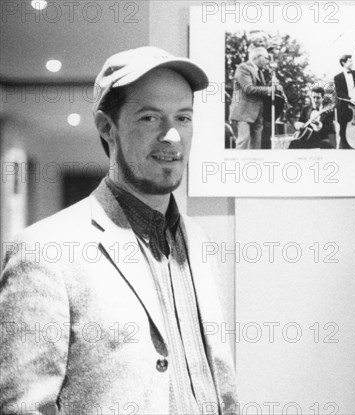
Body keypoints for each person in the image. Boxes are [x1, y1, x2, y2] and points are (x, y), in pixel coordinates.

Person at [0, 46, 237, 414]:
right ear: (106, 128)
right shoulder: (44, 250)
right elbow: (22, 408)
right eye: (149, 118)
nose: (172, 136)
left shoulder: (198, 241)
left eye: (183, 118)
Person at [229, 46, 282, 149]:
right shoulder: (243, 67)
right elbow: (249, 89)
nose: (267, 61)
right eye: (266, 58)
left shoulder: (260, 72)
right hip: (243, 114)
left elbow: (260, 89)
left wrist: (273, 85)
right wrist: (269, 90)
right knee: (244, 142)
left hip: (257, 115)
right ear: (258, 57)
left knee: (256, 146)